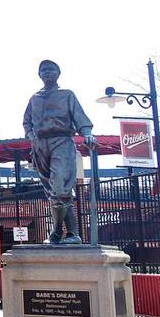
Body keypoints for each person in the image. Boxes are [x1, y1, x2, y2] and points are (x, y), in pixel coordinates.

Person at [23, 60, 95, 244]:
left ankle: (58, 233)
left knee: (60, 189)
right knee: (53, 192)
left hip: (61, 141)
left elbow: (80, 118)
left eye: (51, 69)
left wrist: (87, 134)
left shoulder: (67, 95)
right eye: (43, 70)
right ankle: (70, 234)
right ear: (39, 74)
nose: (47, 72)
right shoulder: (34, 98)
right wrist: (32, 137)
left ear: (58, 73)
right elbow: (26, 122)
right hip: (40, 145)